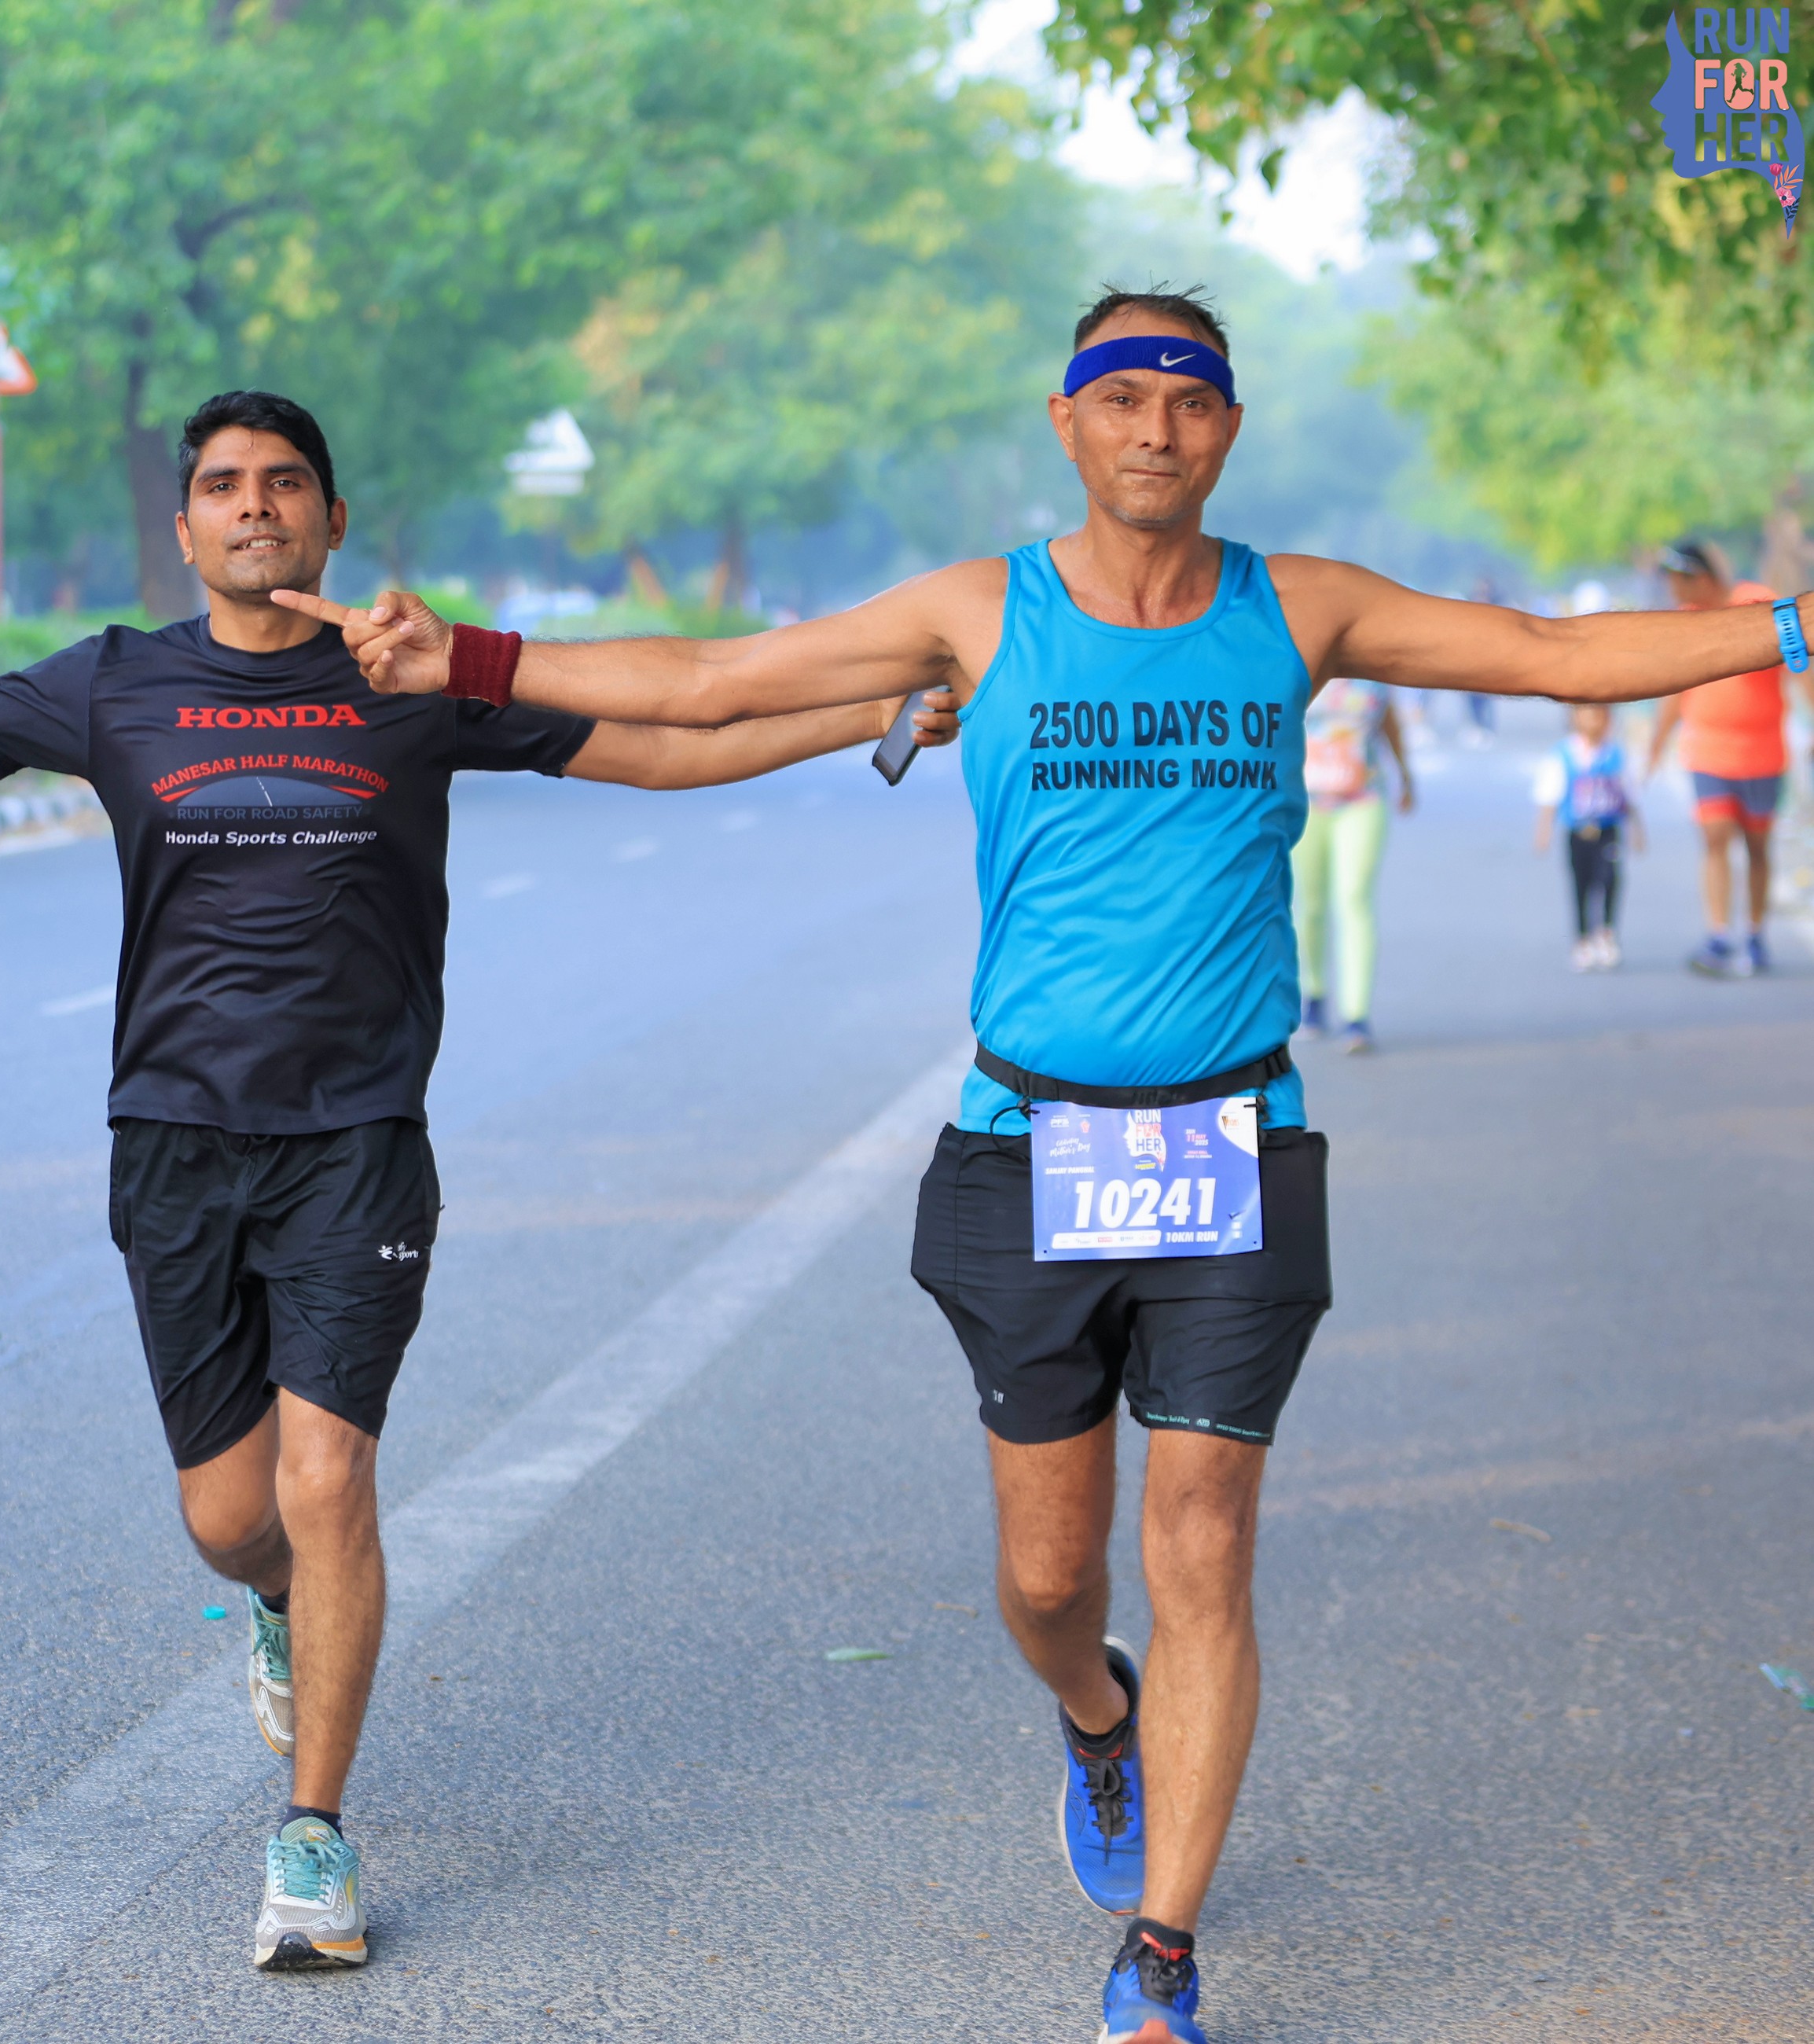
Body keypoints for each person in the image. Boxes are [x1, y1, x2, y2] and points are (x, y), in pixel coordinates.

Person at [278, 289, 1813, 2043]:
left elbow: (1551, 651)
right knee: (1047, 1583)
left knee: (1205, 1537)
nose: (1158, 426)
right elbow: (712, 682)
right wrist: (469, 658)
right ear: (1069, 422)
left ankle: (1162, 1954)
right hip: (1030, 1150)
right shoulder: (977, 612)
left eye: (1191, 397)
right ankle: (1098, 1715)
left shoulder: (1300, 607)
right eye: (1123, 395)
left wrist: (1786, 624)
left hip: (1236, 1141)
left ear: (1229, 428)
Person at [0, 388, 948, 1975]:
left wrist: (870, 717)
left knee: (328, 1486)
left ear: (331, 519)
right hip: (175, 1143)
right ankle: (276, 1604)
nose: (256, 504)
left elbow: (671, 748)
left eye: (285, 482)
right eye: (224, 484)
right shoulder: (113, 684)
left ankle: (312, 1834)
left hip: (357, 1142)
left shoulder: (406, 675)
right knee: (231, 1519)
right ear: (186, 526)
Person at [1643, 539, 1793, 977]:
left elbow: (1800, 661)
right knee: (1715, 837)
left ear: (1702, 578)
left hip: (1763, 752)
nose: (1673, 591)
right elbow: (1674, 687)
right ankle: (1719, 935)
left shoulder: (1758, 603)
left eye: (1678, 581)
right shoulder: (1687, 623)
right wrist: (1656, 745)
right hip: (1708, 751)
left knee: (1757, 847)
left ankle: (1755, 933)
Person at [1290, 676, 1412, 1053]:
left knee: (1354, 898)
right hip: (1305, 802)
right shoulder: (1300, 662)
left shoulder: (1373, 675)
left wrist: (1406, 775)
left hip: (1362, 800)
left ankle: (1356, 1015)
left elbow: (1390, 724)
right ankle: (1313, 996)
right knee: (1309, 905)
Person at [1534, 703, 1643, 970]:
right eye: (1588, 714)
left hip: (1608, 831)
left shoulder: (1616, 756)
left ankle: (1606, 933)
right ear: (1574, 718)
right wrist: (1544, 831)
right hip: (1577, 833)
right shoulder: (1563, 755)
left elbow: (1630, 796)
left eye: (1600, 715)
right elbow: (1550, 796)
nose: (1595, 721)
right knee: (1580, 885)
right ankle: (1582, 939)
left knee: (1610, 879)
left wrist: (1637, 830)